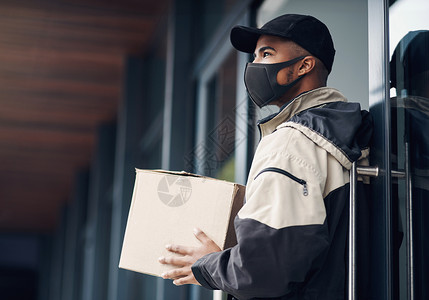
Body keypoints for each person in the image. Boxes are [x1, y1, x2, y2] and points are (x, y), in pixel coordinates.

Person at [159, 14, 373, 300]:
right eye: (255, 55)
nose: (254, 65)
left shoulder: (291, 141)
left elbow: (263, 268)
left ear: (303, 66)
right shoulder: (348, 134)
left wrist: (208, 265)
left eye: (266, 53)